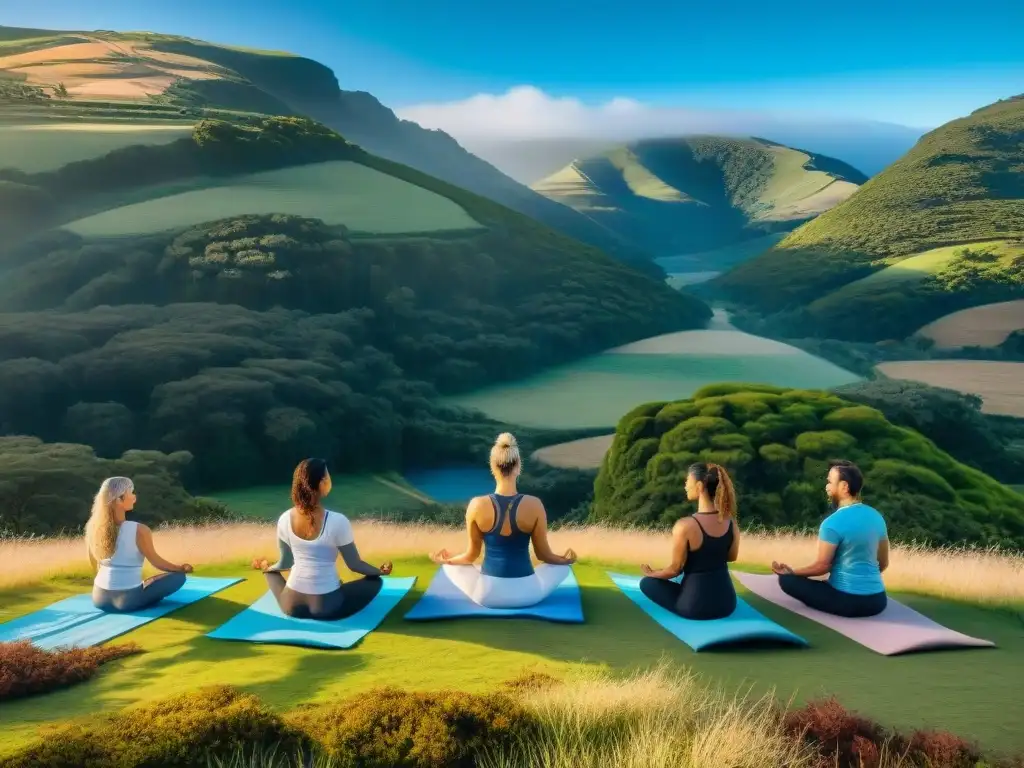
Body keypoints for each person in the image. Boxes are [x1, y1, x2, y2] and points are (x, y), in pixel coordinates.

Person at [429, 433, 577, 608]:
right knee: (562, 568)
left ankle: (451, 564)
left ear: (492, 467)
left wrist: (449, 560)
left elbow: (471, 555)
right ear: (519, 466)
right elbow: (543, 555)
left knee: (450, 567)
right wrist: (564, 560)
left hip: (487, 595)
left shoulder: (476, 504)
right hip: (528, 594)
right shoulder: (534, 504)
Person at [253, 458, 393, 620]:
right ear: (321, 484)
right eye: (327, 477)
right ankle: (267, 568)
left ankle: (266, 568)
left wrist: (271, 568)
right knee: (375, 582)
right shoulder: (338, 521)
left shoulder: (284, 518)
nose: (329, 480)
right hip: (327, 606)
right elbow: (355, 565)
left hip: (291, 605)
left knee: (272, 573)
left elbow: (285, 563)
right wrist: (379, 572)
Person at [772, 459, 889, 618]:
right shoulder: (877, 517)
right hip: (878, 601)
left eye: (829, 482)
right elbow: (882, 563)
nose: (827, 486)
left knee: (787, 581)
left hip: (847, 601)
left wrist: (791, 573)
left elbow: (822, 566)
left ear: (844, 487)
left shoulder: (832, 523)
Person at [638, 462, 740, 620]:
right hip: (727, 605)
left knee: (647, 583)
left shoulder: (685, 526)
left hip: (694, 607)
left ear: (699, 486)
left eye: (687, 481)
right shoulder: (731, 522)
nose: (685, 486)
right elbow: (731, 557)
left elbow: (675, 570)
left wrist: (653, 573)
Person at [86, 476, 193, 613]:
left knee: (152, 582)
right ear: (119, 499)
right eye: (131, 493)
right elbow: (157, 562)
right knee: (178, 577)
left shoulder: (93, 527)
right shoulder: (139, 530)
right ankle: (146, 594)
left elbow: (94, 562)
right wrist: (180, 568)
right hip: (128, 600)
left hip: (99, 598)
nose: (134, 497)